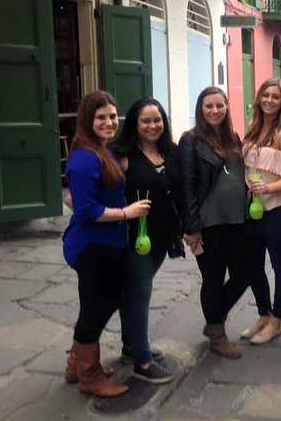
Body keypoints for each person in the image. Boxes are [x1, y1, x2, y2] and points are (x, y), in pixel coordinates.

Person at [62, 90, 151, 397]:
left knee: (100, 302)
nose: (109, 122)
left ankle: (77, 364)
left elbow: (82, 198)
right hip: (91, 246)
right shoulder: (85, 157)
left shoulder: (103, 150)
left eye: (113, 116)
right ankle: (89, 376)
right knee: (97, 307)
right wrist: (127, 212)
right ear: (87, 120)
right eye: (101, 117)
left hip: (107, 243)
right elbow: (87, 212)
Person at [108, 97, 179, 383]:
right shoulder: (123, 155)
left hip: (162, 237)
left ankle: (130, 344)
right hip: (135, 238)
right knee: (140, 293)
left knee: (133, 292)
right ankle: (143, 361)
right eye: (146, 121)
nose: (152, 126)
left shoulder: (170, 151)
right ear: (134, 124)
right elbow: (98, 183)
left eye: (157, 120)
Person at [179, 87, 252, 358]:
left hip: (238, 219)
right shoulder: (190, 140)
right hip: (210, 223)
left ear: (226, 107)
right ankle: (217, 336)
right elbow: (187, 186)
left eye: (219, 105)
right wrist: (192, 228)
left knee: (245, 273)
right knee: (213, 278)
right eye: (208, 106)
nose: (214, 110)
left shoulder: (233, 137)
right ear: (200, 109)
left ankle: (213, 320)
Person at [241, 79, 281, 344]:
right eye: (266, 95)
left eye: (275, 97)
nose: (269, 100)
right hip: (253, 208)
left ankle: (276, 320)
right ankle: (263, 315)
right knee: (253, 264)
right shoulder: (252, 127)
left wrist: (268, 188)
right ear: (259, 98)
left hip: (278, 208)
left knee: (279, 264)